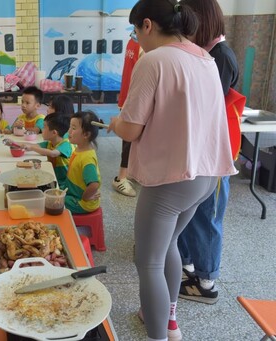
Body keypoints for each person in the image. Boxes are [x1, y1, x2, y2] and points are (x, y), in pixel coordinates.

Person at [107, 1, 237, 340]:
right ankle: (168, 321)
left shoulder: (154, 60)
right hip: (206, 176)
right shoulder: (204, 58)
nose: (137, 40)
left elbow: (132, 129)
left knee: (148, 261)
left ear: (147, 25)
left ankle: (159, 335)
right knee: (169, 245)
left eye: (136, 32)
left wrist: (115, 123)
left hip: (171, 181)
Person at [177, 0, 240, 305]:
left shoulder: (220, 57)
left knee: (208, 216)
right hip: (200, 152)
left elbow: (207, 109)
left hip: (213, 155)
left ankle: (207, 282)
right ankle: (192, 266)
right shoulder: (208, 54)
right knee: (194, 214)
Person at [112, 37, 143, 198]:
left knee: (133, 139)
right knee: (129, 138)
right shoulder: (141, 41)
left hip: (129, 97)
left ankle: (129, 172)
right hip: (133, 99)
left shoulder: (134, 38)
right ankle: (121, 177)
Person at [19, 113, 72, 189]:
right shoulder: (50, 143)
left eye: (44, 127)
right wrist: (13, 143)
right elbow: (31, 145)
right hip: (52, 178)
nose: (42, 129)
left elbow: (53, 154)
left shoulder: (66, 144)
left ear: (54, 133)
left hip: (63, 184)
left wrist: (32, 148)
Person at [65, 111, 101, 214]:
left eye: (73, 128)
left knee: (53, 200)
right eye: (70, 127)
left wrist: (86, 197)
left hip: (82, 203)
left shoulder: (87, 158)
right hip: (74, 193)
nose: (69, 131)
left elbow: (94, 184)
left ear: (86, 134)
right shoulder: (79, 149)